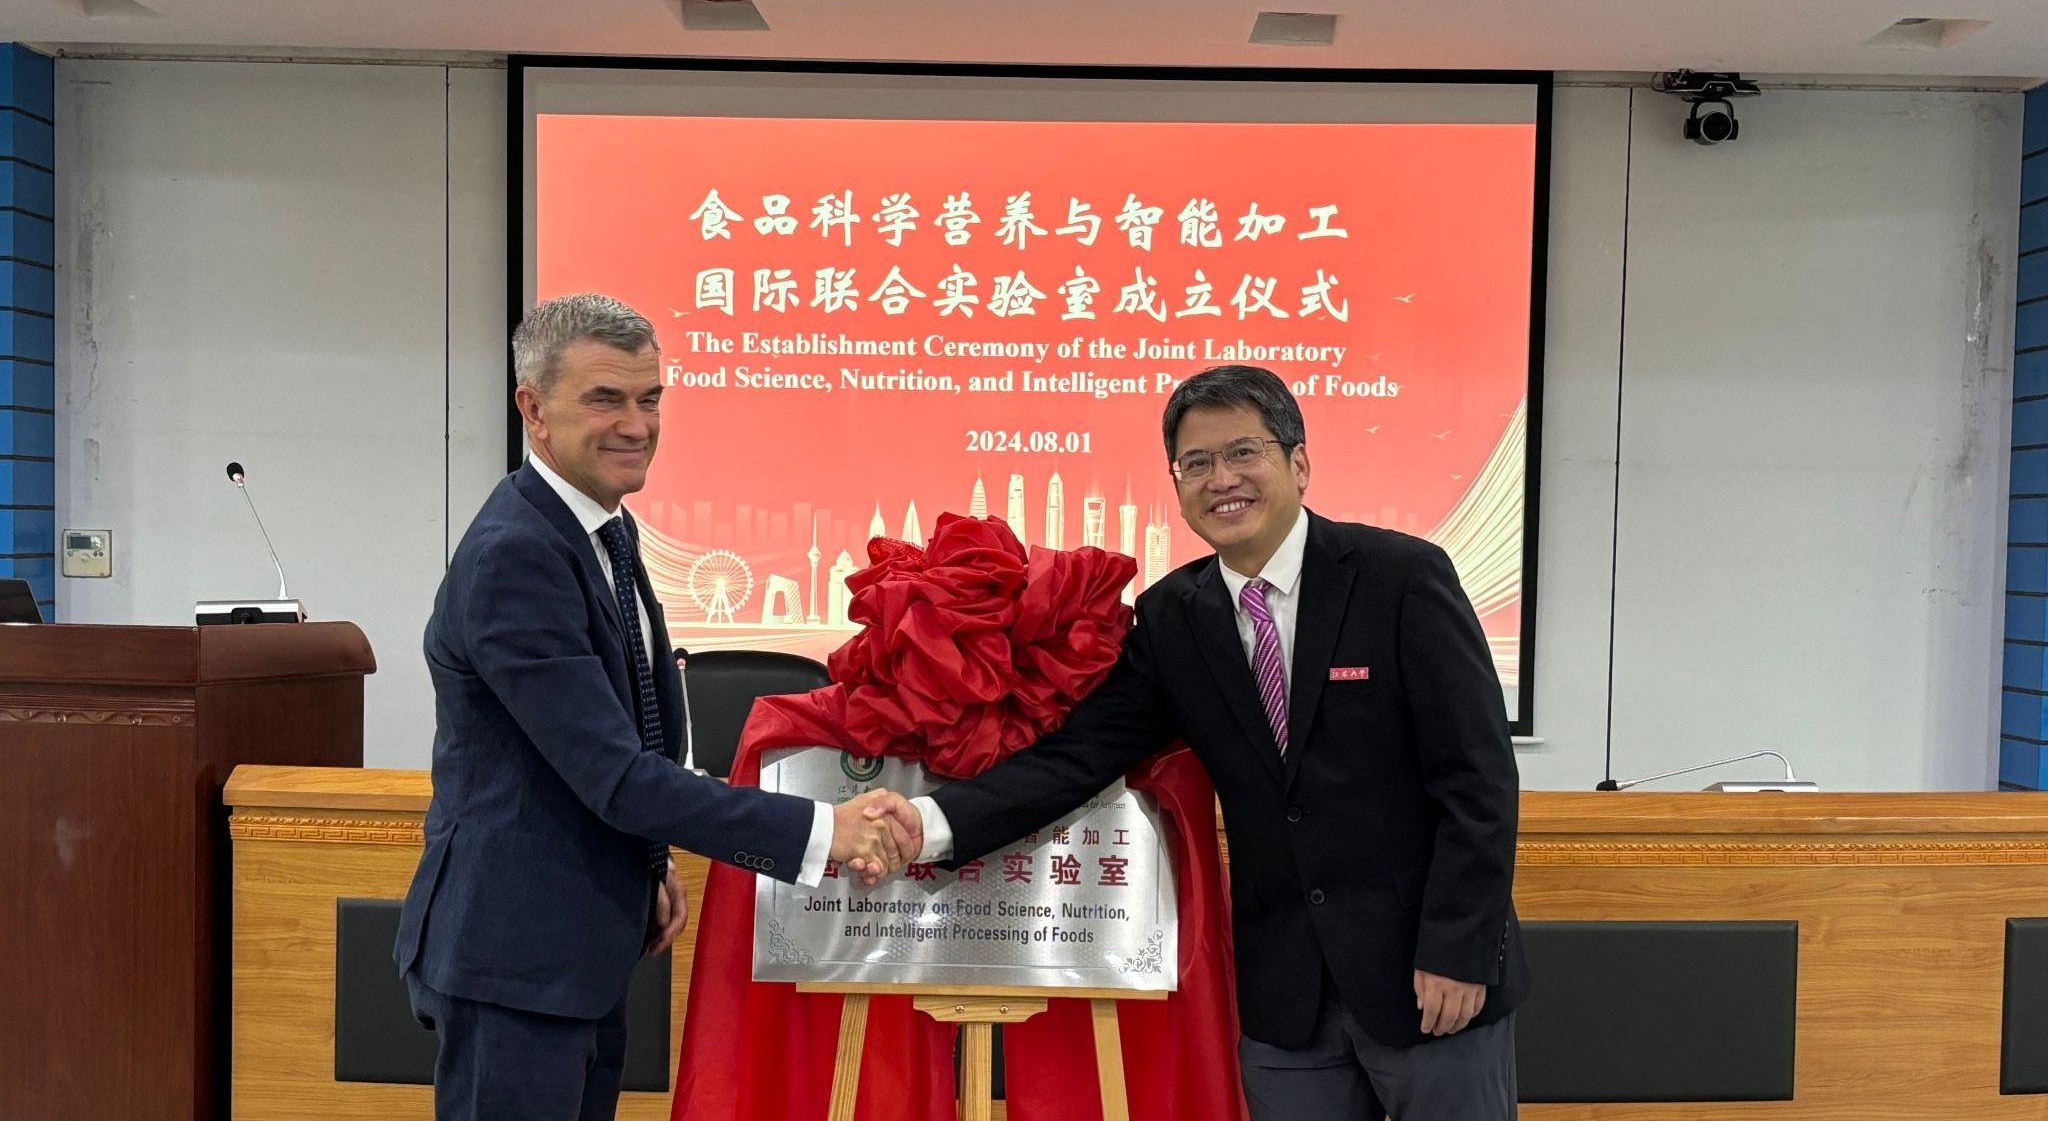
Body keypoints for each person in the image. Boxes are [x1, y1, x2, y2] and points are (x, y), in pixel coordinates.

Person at [883, 365, 1528, 1120]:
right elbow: (1079, 757)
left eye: (1243, 452)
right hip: (1286, 1000)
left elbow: (1477, 780)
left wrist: (1456, 949)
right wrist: (930, 822)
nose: (1221, 479)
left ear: (1299, 463)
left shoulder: (1400, 577)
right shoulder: (1172, 617)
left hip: (1428, 980)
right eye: (1196, 463)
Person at [393, 292, 912, 1121]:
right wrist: (826, 830)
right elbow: (616, 775)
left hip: (577, 950)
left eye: (650, 398)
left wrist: (649, 860)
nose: (636, 425)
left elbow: (625, 733)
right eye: (606, 399)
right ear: (533, 408)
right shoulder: (516, 555)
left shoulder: (605, 529)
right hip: (513, 958)